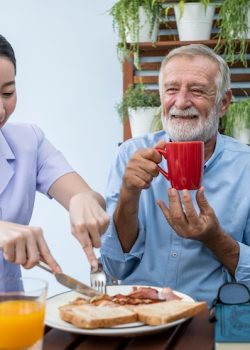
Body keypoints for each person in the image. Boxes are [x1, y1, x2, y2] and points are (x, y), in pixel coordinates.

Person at [100, 44, 250, 306]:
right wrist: (129, 194)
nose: (181, 102)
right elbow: (113, 267)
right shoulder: (130, 155)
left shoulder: (246, 167)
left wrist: (214, 238)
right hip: (138, 310)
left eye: (197, 90)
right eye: (171, 89)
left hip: (210, 317)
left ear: (223, 102)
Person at [0, 34, 109, 287]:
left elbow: (87, 197)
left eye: (8, 92)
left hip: (11, 313)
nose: (1, 110)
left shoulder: (28, 140)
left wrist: (84, 200)